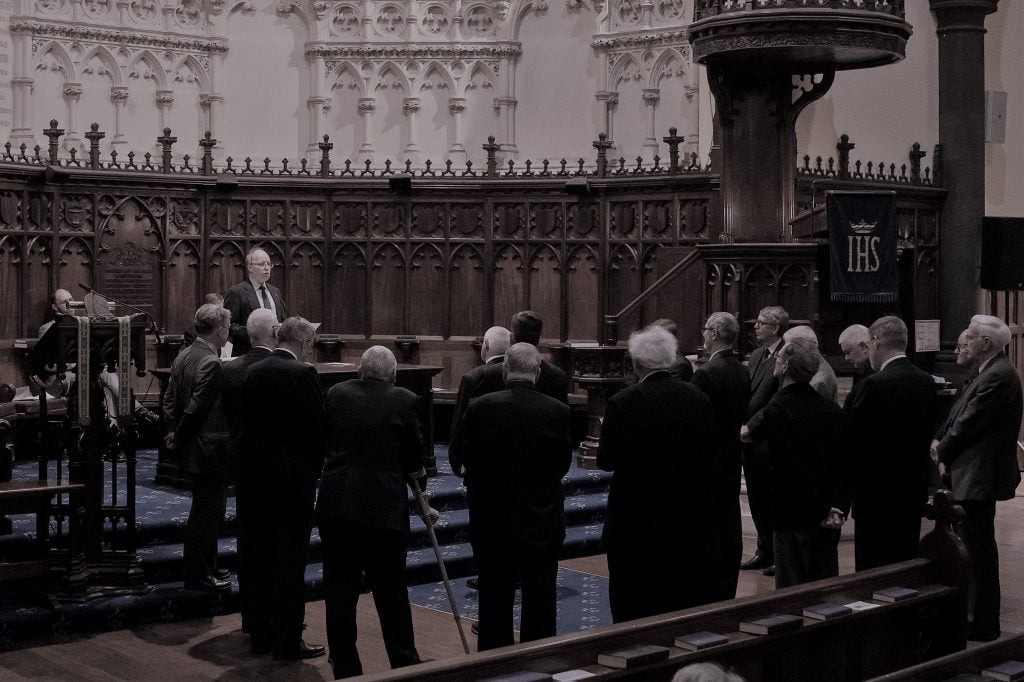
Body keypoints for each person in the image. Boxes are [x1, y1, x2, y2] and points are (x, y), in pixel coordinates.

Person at [454, 342, 572, 650]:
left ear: (505, 368)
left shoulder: (481, 407)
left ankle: (495, 664)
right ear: (538, 371)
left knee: (494, 600)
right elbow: (562, 464)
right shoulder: (557, 410)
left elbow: (468, 457)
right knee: (541, 600)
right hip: (541, 517)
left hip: (492, 519)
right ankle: (538, 661)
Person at [598, 325, 720, 622]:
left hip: (635, 518)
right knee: (679, 596)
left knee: (633, 600)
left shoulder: (623, 402)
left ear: (636, 363)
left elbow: (606, 460)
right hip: (686, 515)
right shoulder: (697, 398)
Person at [318, 346, 425, 677]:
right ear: (392, 375)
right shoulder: (405, 400)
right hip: (384, 510)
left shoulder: (336, 394)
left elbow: (323, 441)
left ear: (358, 370)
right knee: (391, 592)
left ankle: (345, 664)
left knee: (339, 592)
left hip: (338, 506)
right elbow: (414, 461)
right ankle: (404, 662)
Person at [931, 315, 1023, 642]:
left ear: (985, 342)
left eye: (969, 338)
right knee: (969, 548)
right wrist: (939, 439)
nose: (965, 342)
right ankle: (972, 615)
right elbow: (957, 411)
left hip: (979, 475)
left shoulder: (999, 375)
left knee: (978, 552)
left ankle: (983, 622)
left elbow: (971, 422)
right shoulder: (985, 370)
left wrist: (943, 451)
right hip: (969, 472)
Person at [240, 316, 326, 660]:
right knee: (290, 564)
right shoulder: (303, 375)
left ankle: (261, 636)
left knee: (260, 558)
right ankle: (288, 642)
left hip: (255, 481)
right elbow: (316, 430)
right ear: (304, 343)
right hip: (292, 485)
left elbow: (244, 426)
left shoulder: (253, 372)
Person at [742, 338, 851, 588]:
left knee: (792, 594)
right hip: (829, 517)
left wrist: (819, 509)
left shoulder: (777, 411)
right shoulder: (831, 410)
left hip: (793, 514)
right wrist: (837, 508)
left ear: (786, 366)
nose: (775, 362)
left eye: (778, 358)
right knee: (824, 593)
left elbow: (787, 468)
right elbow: (843, 465)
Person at [844, 316, 937, 571]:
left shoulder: (874, 384)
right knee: (904, 559)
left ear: (875, 343)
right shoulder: (925, 380)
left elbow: (854, 438)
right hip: (911, 488)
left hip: (875, 494)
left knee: (873, 567)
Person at [161, 303, 232, 591]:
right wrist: (177, 435)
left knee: (205, 511)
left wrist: (169, 431)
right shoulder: (211, 362)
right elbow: (197, 409)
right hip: (208, 449)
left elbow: (168, 399)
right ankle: (199, 573)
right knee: (207, 514)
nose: (228, 332)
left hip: (192, 445)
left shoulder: (184, 355)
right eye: (227, 327)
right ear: (219, 329)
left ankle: (209, 566)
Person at [219, 308, 277, 635]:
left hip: (243, 464)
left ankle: (250, 616)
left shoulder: (230, 370)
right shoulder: (287, 370)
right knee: (276, 546)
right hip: (276, 469)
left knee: (249, 541)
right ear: (273, 332)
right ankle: (272, 619)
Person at [692, 312, 750, 600]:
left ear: (714, 334)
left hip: (710, 461)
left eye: (705, 329)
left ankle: (710, 587)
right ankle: (727, 582)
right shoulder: (740, 368)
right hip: (731, 455)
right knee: (729, 524)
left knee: (712, 525)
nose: (702, 334)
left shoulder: (705, 373)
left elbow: (696, 420)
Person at [740, 305, 788, 575]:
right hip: (748, 438)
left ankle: (776, 553)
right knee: (756, 498)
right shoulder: (757, 354)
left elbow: (778, 399)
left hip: (768, 437)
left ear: (776, 328)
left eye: (761, 323)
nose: (755, 326)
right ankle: (763, 549)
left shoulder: (786, 354)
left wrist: (752, 427)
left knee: (770, 498)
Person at [448, 325, 511, 477]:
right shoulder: (516, 372)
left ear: (486, 345)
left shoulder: (474, 376)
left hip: (480, 455)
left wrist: (455, 458)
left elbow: (461, 420)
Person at [224, 247, 286, 357]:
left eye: (269, 264)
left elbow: (283, 319)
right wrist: (255, 334)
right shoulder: (237, 292)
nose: (267, 268)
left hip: (275, 354)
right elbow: (229, 325)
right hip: (248, 354)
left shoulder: (275, 291)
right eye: (262, 264)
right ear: (250, 267)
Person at [783, 325, 837, 403]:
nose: (784, 350)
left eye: (789, 347)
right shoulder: (810, 366)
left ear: (805, 347)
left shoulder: (819, 380)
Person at [838, 323, 873, 408]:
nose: (846, 358)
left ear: (864, 347)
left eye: (848, 352)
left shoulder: (872, 378)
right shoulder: (862, 373)